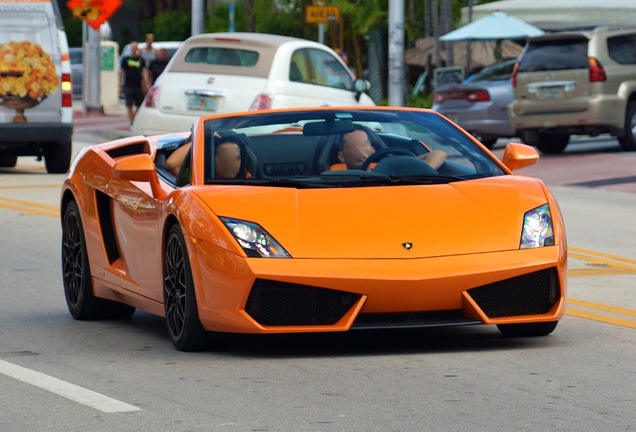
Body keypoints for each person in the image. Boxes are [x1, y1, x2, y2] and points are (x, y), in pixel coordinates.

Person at [335, 126, 446, 170]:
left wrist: (425, 170)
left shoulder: (388, 171)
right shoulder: (333, 182)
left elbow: (439, 153)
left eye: (364, 145)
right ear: (341, 156)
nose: (360, 152)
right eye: (354, 147)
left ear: (373, 151)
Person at [165, 132, 250, 179]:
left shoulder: (246, 178)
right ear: (213, 159)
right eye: (225, 157)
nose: (230, 163)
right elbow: (171, 164)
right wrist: (204, 138)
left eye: (236, 158)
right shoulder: (201, 180)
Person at [119, 41, 147, 125]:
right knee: (129, 103)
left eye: (135, 48)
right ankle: (132, 121)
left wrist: (146, 82)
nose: (134, 50)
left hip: (138, 84)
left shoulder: (141, 60)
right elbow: (121, 72)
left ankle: (134, 118)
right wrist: (120, 84)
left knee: (140, 104)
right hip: (128, 84)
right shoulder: (125, 60)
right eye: (132, 48)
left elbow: (144, 71)